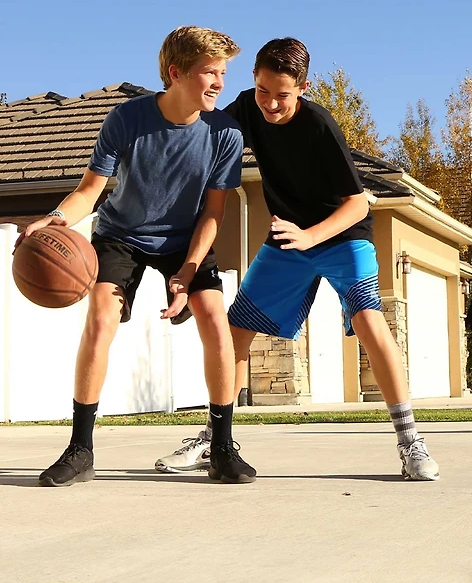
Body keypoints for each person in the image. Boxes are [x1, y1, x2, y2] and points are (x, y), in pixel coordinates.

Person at [155, 37, 439, 481]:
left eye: (282, 95)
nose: (270, 103)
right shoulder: (248, 107)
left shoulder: (319, 125)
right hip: (289, 238)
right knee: (234, 334)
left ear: (303, 87)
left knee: (368, 320)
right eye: (263, 90)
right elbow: (205, 135)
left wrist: (310, 237)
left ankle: (411, 442)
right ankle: (216, 438)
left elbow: (358, 203)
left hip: (340, 235)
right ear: (254, 80)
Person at [25, 26, 256, 486]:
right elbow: (89, 192)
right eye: (209, 72)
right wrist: (54, 218)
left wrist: (189, 272)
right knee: (101, 319)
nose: (219, 83)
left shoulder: (225, 133)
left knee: (214, 316)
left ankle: (222, 446)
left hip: (185, 240)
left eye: (223, 73)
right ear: (176, 73)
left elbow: (213, 213)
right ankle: (80, 449)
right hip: (121, 235)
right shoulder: (126, 119)